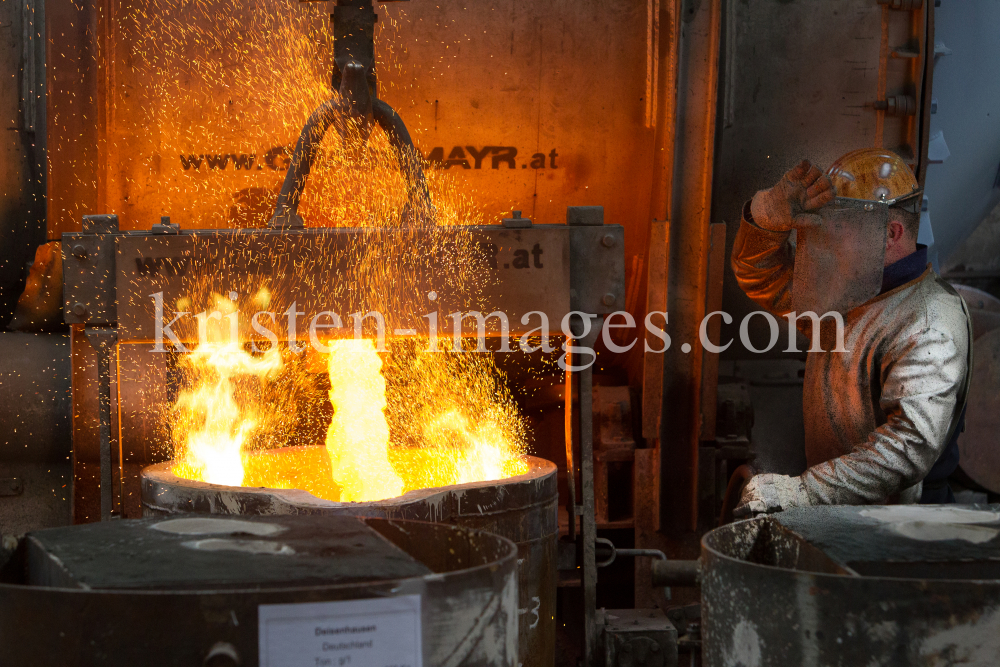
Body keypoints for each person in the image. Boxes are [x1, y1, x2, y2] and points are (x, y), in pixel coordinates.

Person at [731, 148, 972, 516]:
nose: (826, 232)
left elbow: (908, 447)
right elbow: (760, 276)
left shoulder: (930, 319)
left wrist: (803, 492)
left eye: (842, 224)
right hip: (842, 513)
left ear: (891, 233)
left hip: (901, 529)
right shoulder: (849, 292)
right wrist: (767, 215)